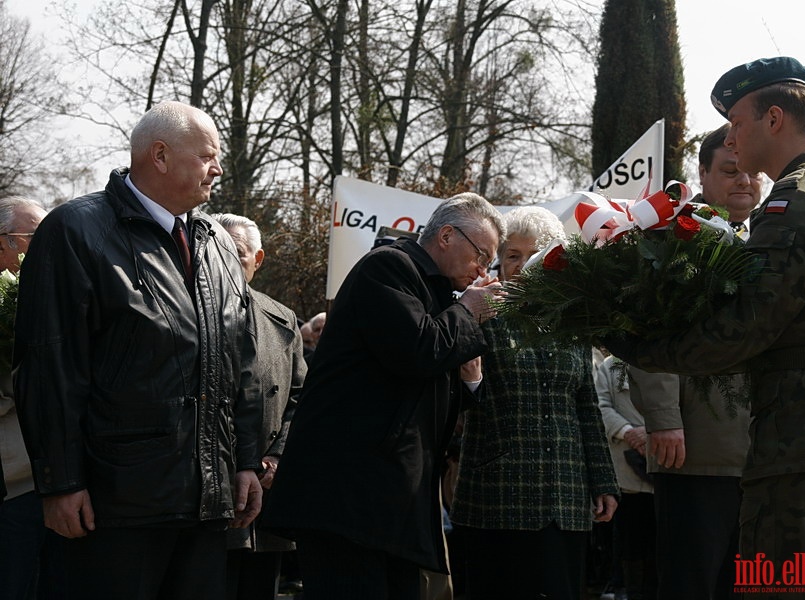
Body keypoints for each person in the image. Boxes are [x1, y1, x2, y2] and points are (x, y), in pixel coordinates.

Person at [610, 56, 805, 598]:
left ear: (773, 118)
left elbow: (743, 327)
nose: (733, 139)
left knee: (784, 588)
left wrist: (630, 339)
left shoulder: (796, 202)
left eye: (737, 122)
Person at [13, 100, 264, 600]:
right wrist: (60, 484)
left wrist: (247, 462)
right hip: (115, 505)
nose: (218, 169)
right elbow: (50, 367)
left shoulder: (215, 242)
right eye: (209, 156)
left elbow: (244, 363)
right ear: (161, 156)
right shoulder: (75, 231)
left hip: (207, 504)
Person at [262, 192, 506, 600]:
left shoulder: (437, 291)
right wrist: (468, 312)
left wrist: (467, 382)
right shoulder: (390, 267)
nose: (483, 269)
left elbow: (419, 392)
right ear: (447, 235)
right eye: (481, 254)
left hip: (390, 504)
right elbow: (416, 350)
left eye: (489, 261)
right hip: (349, 497)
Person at [450, 206, 619, 600]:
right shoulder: (478, 313)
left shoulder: (571, 323)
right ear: (499, 260)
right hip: (498, 494)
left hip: (566, 493)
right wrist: (472, 382)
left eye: (535, 255)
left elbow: (587, 408)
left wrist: (603, 481)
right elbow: (457, 403)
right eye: (513, 255)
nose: (523, 266)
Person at [625, 125, 758, 600]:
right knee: (692, 583)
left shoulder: (773, 237)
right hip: (695, 450)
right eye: (729, 170)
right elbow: (648, 328)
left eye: (752, 172)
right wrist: (663, 419)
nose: (744, 180)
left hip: (762, 454)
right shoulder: (676, 236)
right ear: (702, 173)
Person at [214, 213, 308, 600]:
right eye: (220, 252)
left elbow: (300, 396)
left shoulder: (282, 319)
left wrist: (276, 456)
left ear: (259, 259)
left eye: (238, 253)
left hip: (267, 493)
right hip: (211, 489)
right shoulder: (187, 312)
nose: (229, 263)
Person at [0, 196, 65, 600]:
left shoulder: (52, 297)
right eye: (32, 237)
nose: (43, 246)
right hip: (12, 481)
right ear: (2, 242)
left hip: (51, 482)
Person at [594, 351, 655, 600]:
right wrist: (628, 432)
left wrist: (651, 433)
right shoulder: (610, 365)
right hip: (626, 473)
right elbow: (600, 406)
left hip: (667, 464)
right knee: (627, 539)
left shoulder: (670, 358)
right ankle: (623, 588)